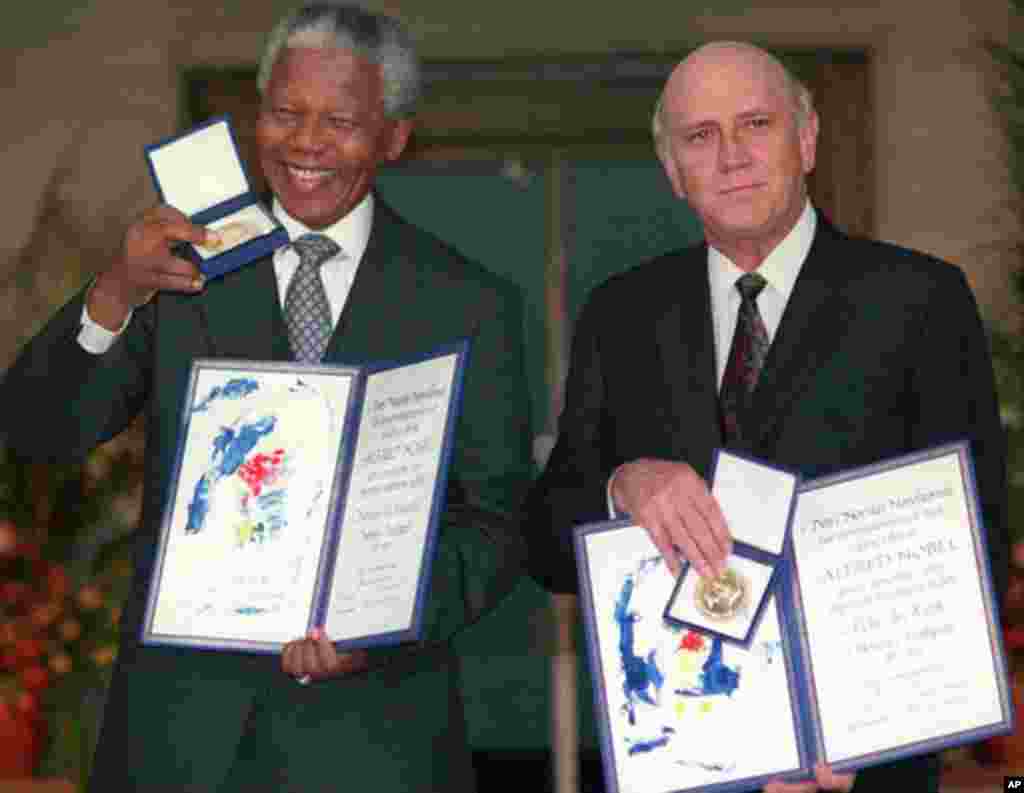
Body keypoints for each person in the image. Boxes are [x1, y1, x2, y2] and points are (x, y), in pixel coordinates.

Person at [1, 4, 533, 791]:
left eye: (341, 121)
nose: (306, 142)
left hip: (374, 744)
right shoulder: (178, 274)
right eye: (284, 113)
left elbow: (495, 522)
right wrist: (115, 289)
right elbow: (37, 428)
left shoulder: (467, 304)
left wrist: (379, 623)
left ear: (393, 137)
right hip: (178, 743)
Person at [524, 41, 1007, 793]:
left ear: (807, 140)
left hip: (857, 769)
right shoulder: (622, 312)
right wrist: (623, 483)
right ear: (673, 173)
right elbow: (548, 536)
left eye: (755, 123)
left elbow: (975, 537)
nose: (731, 157)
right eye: (700, 137)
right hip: (684, 763)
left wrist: (867, 739)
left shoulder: (920, 301)